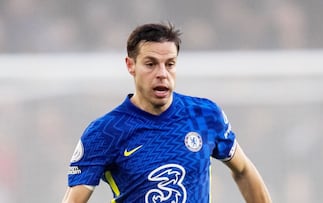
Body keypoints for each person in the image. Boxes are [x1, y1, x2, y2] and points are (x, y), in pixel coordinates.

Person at [62, 22, 272, 203]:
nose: (162, 74)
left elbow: (243, 171)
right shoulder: (105, 132)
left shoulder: (205, 115)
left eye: (169, 64)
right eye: (151, 64)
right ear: (130, 65)